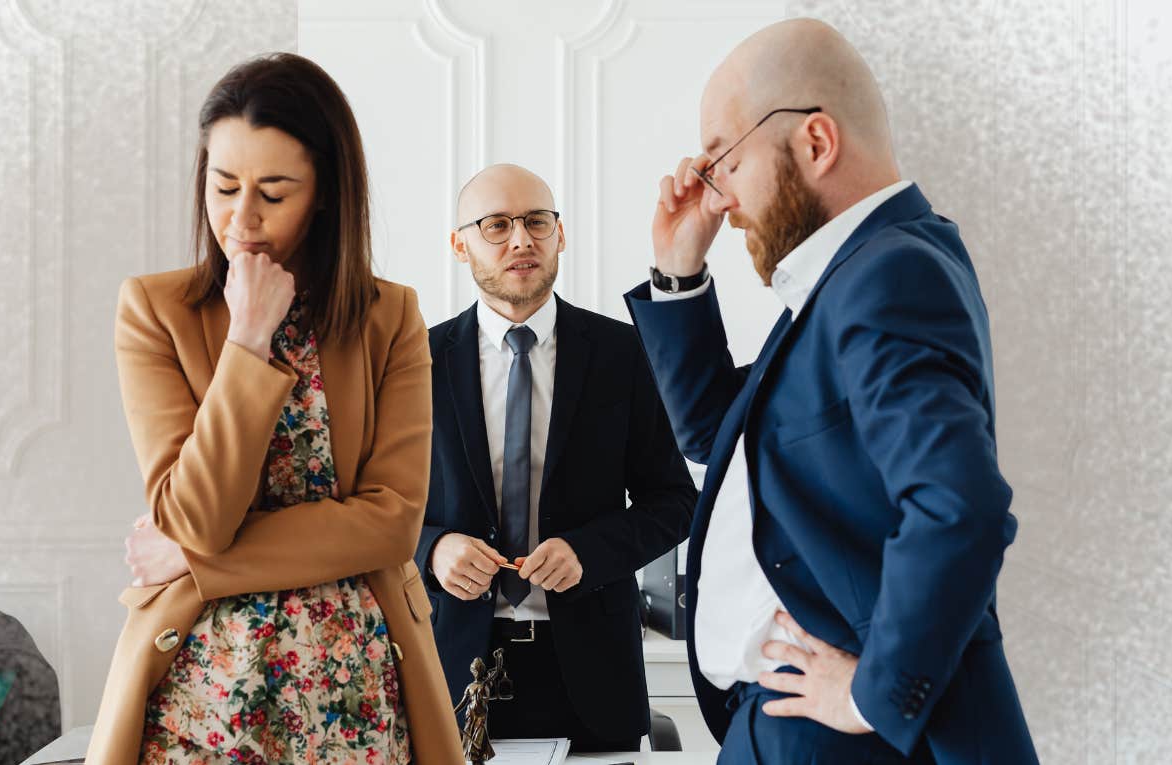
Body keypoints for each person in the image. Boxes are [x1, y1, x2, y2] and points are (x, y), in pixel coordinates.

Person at [625, 18, 1038, 764]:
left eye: (725, 160)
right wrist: (678, 272)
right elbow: (720, 435)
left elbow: (960, 506)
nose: (719, 196)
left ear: (815, 142)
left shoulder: (886, 276)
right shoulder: (855, 278)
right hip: (790, 725)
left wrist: (870, 695)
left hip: (849, 738)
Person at [86, 53, 460, 764]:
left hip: (353, 690)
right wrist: (249, 337)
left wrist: (199, 563)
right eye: (223, 187)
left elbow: (388, 524)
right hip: (201, 696)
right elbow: (196, 515)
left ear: (324, 192)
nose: (241, 219)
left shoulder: (390, 317)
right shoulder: (154, 310)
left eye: (273, 192)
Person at [417, 164, 696, 752]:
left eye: (536, 222)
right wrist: (434, 549)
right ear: (459, 243)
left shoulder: (624, 353)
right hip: (451, 670)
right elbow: (378, 508)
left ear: (560, 235)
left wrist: (588, 552)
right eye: (496, 225)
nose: (521, 240)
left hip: (595, 676)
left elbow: (674, 503)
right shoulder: (415, 363)